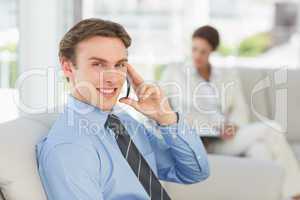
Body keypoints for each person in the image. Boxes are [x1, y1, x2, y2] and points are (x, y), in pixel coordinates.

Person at [36, 18, 209, 200]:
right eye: (98, 64)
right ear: (68, 67)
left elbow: (194, 173)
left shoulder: (122, 119)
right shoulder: (69, 149)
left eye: (119, 65)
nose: (114, 78)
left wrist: (166, 118)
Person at [161, 25, 300, 199]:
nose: (197, 55)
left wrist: (233, 126)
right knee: (269, 132)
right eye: (194, 49)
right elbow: (162, 108)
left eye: (203, 51)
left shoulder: (228, 76)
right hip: (194, 139)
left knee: (261, 148)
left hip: (223, 140)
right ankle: (295, 193)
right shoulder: (174, 72)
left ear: (212, 51)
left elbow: (240, 112)